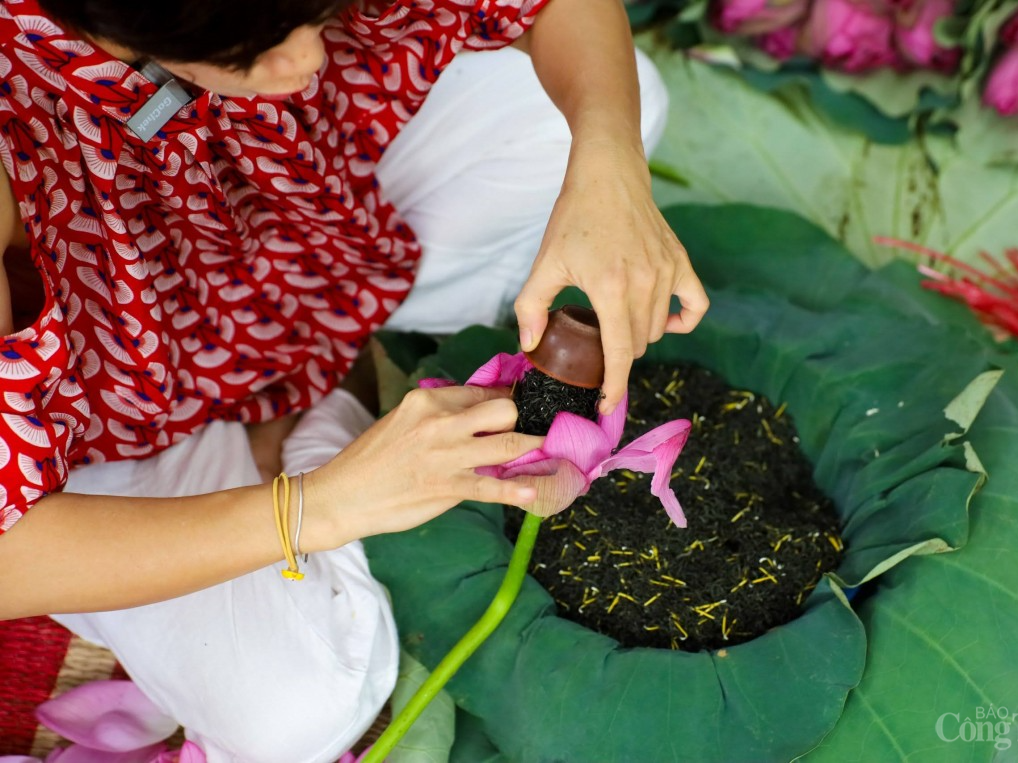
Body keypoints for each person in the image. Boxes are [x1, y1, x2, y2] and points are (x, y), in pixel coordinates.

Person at [0, 0, 709, 759]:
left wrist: (609, 168)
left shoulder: (290, 53)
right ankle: (320, 437)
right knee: (299, 713)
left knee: (608, 99)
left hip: (290, 232)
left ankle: (325, 394)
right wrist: (319, 504)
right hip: (101, 414)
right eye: (261, 45)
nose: (308, 57)